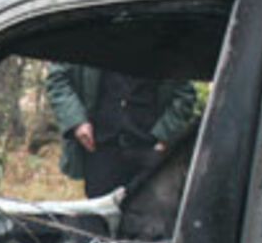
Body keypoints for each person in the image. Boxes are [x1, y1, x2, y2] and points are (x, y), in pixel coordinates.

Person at [45, 62, 198, 198]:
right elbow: (58, 80)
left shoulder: (163, 41)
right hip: (100, 150)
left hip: (150, 152)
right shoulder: (86, 35)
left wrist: (164, 136)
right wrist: (77, 122)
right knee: (100, 224)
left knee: (147, 222)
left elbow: (185, 95)